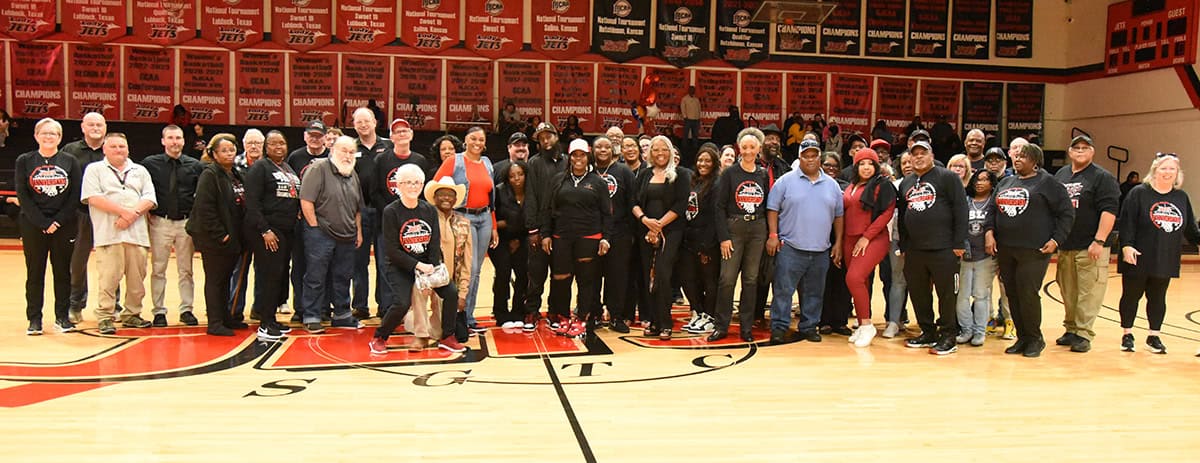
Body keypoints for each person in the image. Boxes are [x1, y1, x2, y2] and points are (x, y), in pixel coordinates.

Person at [370, 165, 465, 354]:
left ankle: (447, 337)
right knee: (402, 303)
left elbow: (434, 241)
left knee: (451, 292)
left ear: (422, 185)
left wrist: (432, 268)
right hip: (400, 266)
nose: (413, 186)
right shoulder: (391, 211)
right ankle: (379, 337)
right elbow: (391, 250)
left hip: (427, 264)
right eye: (408, 182)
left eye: (416, 182)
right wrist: (417, 266)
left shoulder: (428, 209)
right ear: (399, 185)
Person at [993, 143, 1074, 358]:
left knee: (1027, 293)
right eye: (1016, 156)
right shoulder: (1006, 181)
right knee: (1012, 293)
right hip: (1006, 248)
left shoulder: (1048, 183)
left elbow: (1066, 213)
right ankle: (1022, 337)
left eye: (1023, 156)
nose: (1017, 159)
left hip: (1034, 249)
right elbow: (993, 210)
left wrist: (1057, 239)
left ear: (1035, 161)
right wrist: (990, 233)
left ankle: (1035, 339)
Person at [1116, 153, 1198, 355]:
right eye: (1163, 168)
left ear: (1178, 173)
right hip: (1137, 255)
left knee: (1158, 297)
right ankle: (1127, 334)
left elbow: (1190, 230)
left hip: (1166, 256)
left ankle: (1154, 335)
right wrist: (1126, 245)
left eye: (1172, 169)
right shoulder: (1138, 193)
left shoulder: (1181, 197)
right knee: (1131, 296)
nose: (1168, 172)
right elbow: (1127, 222)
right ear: (1154, 171)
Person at [766, 139, 845, 344]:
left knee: (815, 292)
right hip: (790, 247)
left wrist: (838, 243)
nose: (810, 159)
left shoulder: (833, 185)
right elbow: (772, 209)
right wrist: (773, 235)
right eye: (805, 156)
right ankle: (779, 326)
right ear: (799, 157)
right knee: (783, 291)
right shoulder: (785, 181)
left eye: (814, 155)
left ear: (820, 157)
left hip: (821, 249)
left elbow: (839, 216)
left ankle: (809, 326)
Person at [80, 133, 157, 335]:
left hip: (137, 235)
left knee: (136, 280)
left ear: (128, 149)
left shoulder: (140, 171)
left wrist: (132, 215)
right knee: (108, 280)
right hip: (109, 234)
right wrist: (124, 213)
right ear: (104, 149)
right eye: (113, 146)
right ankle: (106, 316)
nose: (118, 150)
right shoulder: (94, 170)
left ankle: (132, 314)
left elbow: (149, 197)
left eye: (122, 146)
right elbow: (93, 198)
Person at [897, 140, 969, 355]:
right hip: (916, 249)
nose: (918, 157)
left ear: (931, 155)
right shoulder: (906, 183)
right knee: (919, 293)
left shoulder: (947, 177)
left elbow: (961, 208)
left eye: (923, 153)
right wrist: (904, 243)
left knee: (947, 294)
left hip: (944, 247)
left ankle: (949, 335)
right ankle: (927, 331)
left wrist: (958, 242)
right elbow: (903, 216)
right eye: (914, 154)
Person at [1052, 135, 1120, 353]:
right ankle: (1071, 328)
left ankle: (1083, 333)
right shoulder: (1061, 174)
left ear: (1092, 151)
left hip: (1090, 245)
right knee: (1068, 290)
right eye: (1076, 147)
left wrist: (1099, 240)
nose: (1080, 151)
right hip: (1066, 244)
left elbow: (1109, 211)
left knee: (1089, 292)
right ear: (1070, 152)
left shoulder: (1102, 177)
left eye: (1085, 147)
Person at [16, 118, 82, 335]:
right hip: (33, 224)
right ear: (36, 136)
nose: (48, 137)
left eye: (53, 133)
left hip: (64, 224)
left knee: (62, 273)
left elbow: (75, 196)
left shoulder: (70, 161)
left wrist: (57, 221)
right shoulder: (24, 160)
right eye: (44, 133)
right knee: (35, 273)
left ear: (60, 137)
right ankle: (34, 319)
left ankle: (62, 318)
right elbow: (23, 196)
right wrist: (42, 222)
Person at [297, 136, 366, 334]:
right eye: (344, 150)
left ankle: (342, 315)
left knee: (343, 277)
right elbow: (306, 200)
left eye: (351, 152)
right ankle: (311, 315)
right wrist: (314, 226)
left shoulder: (353, 174)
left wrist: (358, 231)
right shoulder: (318, 169)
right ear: (333, 150)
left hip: (347, 235)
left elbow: (357, 208)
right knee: (316, 276)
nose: (348, 155)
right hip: (321, 234)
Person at [433, 126, 498, 333]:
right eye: (473, 138)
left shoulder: (487, 163)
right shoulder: (454, 161)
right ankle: (455, 315)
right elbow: (436, 187)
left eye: (481, 139)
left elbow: (491, 198)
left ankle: (468, 317)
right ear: (466, 140)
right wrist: (443, 221)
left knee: (477, 271)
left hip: (485, 218)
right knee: (464, 269)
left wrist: (494, 226)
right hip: (463, 218)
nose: (477, 143)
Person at [710, 128, 770, 342]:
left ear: (758, 149)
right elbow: (718, 207)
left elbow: (768, 205)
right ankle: (721, 325)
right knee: (727, 279)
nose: (748, 151)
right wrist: (724, 237)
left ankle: (746, 328)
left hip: (757, 230)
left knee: (751, 279)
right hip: (734, 229)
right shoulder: (729, 173)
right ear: (739, 148)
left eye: (752, 147)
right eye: (744, 147)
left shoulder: (763, 174)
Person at [142, 125, 204, 327]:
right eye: (170, 138)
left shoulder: (194, 165)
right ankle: (159, 311)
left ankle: (187, 309)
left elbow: (200, 195)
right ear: (163, 141)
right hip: (160, 222)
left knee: (186, 270)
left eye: (178, 138)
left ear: (183, 141)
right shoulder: (150, 164)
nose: (174, 141)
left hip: (185, 223)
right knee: (158, 268)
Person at [187, 134, 247, 336]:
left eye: (231, 149)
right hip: (214, 239)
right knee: (215, 280)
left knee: (225, 278)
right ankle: (214, 322)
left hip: (232, 237)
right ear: (213, 153)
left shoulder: (236, 173)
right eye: (224, 150)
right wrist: (221, 235)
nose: (229, 153)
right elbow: (205, 208)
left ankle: (225, 317)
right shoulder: (209, 174)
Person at [243, 130, 301, 340]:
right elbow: (252, 202)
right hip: (268, 230)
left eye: (282, 143)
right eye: (274, 144)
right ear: (266, 147)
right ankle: (265, 323)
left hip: (286, 230)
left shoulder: (287, 167)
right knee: (269, 275)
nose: (279, 147)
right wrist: (264, 230)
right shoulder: (260, 167)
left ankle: (273, 318)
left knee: (279, 275)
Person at [372, 118, 430, 317]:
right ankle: (387, 308)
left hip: (413, 224)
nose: (402, 134)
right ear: (391, 137)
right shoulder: (381, 160)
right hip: (388, 222)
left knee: (412, 266)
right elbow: (375, 191)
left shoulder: (420, 161)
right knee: (385, 265)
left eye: (405, 130)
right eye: (397, 132)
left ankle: (410, 309)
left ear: (411, 134)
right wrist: (391, 212)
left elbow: (423, 194)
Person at [631, 136, 686, 339]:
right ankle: (653, 321)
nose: (660, 153)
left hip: (670, 232)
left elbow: (680, 205)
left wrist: (659, 225)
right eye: (655, 150)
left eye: (664, 149)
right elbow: (634, 202)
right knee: (648, 278)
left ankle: (665, 322)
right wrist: (646, 221)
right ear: (650, 153)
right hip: (645, 230)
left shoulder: (679, 175)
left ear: (670, 152)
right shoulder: (644, 174)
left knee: (662, 276)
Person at [840, 148, 896, 347]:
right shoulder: (852, 185)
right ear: (856, 166)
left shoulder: (883, 185)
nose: (866, 167)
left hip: (873, 238)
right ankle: (863, 323)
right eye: (861, 163)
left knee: (853, 278)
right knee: (859, 282)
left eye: (870, 163)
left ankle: (867, 324)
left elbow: (886, 213)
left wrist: (866, 237)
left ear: (876, 166)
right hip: (849, 238)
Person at [413, 177, 474, 343]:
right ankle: (418, 330)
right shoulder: (424, 220)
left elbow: (466, 264)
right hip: (426, 278)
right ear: (434, 198)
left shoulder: (464, 224)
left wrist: (462, 294)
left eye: (450, 195)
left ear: (455, 200)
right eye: (442, 194)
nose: (446, 198)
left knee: (453, 335)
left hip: (448, 284)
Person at [62, 112, 108, 324]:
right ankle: (75, 304)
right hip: (80, 215)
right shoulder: (70, 151)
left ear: (105, 127)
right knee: (77, 263)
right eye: (91, 124)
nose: (96, 128)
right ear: (83, 127)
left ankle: (111, 305)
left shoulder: (113, 149)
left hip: (107, 215)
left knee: (111, 263)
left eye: (99, 124)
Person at [286, 121, 332, 321]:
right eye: (311, 135)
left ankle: (323, 307)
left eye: (318, 135)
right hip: (300, 220)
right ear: (305, 136)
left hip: (326, 221)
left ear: (325, 137)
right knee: (300, 267)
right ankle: (300, 308)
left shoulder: (332, 157)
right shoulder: (295, 157)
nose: (315, 138)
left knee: (325, 267)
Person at [591, 136, 637, 333]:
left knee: (617, 276)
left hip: (620, 232)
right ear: (592, 150)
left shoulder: (623, 171)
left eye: (607, 147)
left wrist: (632, 232)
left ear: (613, 150)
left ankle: (616, 315)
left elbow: (632, 201)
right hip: (592, 231)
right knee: (592, 276)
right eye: (598, 147)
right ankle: (593, 314)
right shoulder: (588, 171)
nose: (603, 150)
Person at [523, 122, 566, 328]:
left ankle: (556, 311)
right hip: (540, 226)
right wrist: (532, 229)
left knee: (560, 273)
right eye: (541, 138)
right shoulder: (534, 163)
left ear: (556, 137)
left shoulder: (568, 161)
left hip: (563, 228)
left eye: (549, 136)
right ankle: (532, 310)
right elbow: (530, 196)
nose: (545, 140)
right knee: (537, 272)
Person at [679, 144, 721, 334]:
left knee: (709, 280)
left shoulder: (717, 184)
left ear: (714, 163)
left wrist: (707, 245)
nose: (702, 163)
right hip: (689, 239)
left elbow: (715, 217)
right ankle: (699, 311)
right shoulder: (693, 181)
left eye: (707, 160)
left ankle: (710, 316)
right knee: (687, 278)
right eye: (700, 160)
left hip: (708, 241)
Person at [351, 107, 387, 320]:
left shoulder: (388, 146)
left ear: (375, 122)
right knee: (358, 261)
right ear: (354, 125)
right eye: (358, 122)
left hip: (384, 211)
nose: (363, 125)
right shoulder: (350, 147)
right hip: (359, 212)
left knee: (384, 261)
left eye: (367, 121)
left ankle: (384, 305)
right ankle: (360, 306)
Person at [955, 170, 998, 347]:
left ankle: (980, 332)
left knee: (981, 295)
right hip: (964, 255)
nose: (980, 183)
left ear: (992, 183)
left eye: (985, 180)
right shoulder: (965, 202)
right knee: (962, 296)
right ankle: (967, 330)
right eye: (977, 180)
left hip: (985, 256)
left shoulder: (994, 203)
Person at [229, 129, 266, 324]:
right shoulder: (233, 164)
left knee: (263, 270)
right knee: (239, 271)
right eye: (250, 142)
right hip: (241, 227)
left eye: (258, 143)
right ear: (243, 144)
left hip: (263, 227)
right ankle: (234, 310)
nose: (254, 146)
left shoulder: (270, 165)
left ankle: (259, 309)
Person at [491, 161, 529, 329]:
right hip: (501, 239)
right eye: (512, 176)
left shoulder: (532, 192)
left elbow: (531, 219)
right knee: (503, 273)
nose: (517, 179)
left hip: (523, 238)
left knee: (523, 275)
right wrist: (507, 226)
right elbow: (493, 220)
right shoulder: (499, 191)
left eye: (520, 174)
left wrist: (518, 237)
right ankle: (500, 312)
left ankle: (519, 311)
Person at [681, 86, 701, 152]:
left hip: (696, 119)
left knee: (695, 134)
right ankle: (684, 148)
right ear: (689, 90)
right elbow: (683, 108)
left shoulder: (696, 99)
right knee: (685, 134)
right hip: (688, 119)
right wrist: (685, 117)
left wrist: (698, 118)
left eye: (693, 90)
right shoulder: (685, 99)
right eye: (691, 90)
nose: (692, 91)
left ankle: (695, 148)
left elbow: (699, 109)